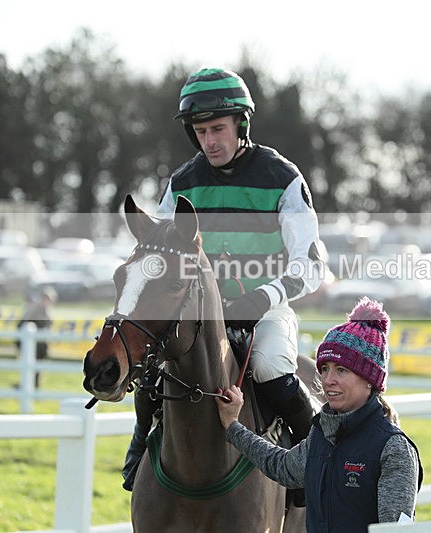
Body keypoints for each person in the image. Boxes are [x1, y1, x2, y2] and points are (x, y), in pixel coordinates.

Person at [122, 67, 324, 495]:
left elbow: (311, 263)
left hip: (264, 314)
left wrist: (261, 297)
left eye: (218, 129)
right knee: (154, 369)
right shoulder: (182, 183)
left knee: (271, 366)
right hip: (197, 318)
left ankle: (314, 466)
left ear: (241, 125)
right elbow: (160, 252)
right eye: (200, 131)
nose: (209, 141)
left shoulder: (282, 177)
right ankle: (140, 448)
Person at [216, 297, 422, 531]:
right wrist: (233, 425)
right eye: (325, 369)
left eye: (341, 370)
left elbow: (396, 530)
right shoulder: (321, 434)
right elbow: (281, 466)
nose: (328, 381)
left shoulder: (394, 448)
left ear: (370, 380)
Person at [17, 287, 56, 388]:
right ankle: (26, 385)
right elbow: (24, 322)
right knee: (29, 364)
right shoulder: (34, 310)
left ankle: (35, 386)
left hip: (42, 344)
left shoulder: (48, 312)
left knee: (38, 367)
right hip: (32, 342)